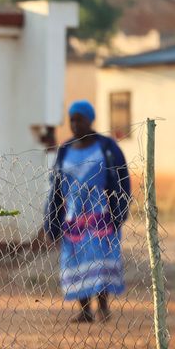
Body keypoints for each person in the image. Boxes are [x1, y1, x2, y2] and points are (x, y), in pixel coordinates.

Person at [45, 100, 131, 323]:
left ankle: (103, 306)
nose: (75, 124)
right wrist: (52, 218)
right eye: (72, 119)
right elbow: (55, 186)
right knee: (75, 260)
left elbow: (121, 179)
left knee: (100, 260)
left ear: (89, 120)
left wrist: (119, 210)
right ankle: (84, 310)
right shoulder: (65, 150)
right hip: (73, 217)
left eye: (79, 119)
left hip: (101, 216)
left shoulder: (107, 147)